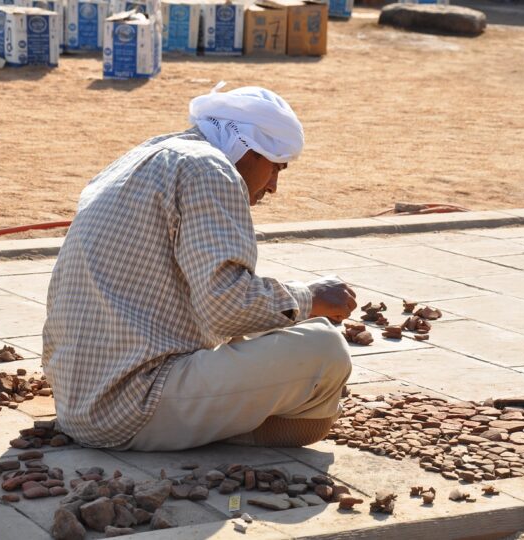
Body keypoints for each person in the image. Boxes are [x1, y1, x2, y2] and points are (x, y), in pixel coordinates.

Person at [42, 85, 357, 452]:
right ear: (248, 148)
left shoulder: (153, 152)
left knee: (283, 322)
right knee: (326, 349)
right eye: (275, 167)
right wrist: (311, 297)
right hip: (129, 406)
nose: (273, 186)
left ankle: (220, 422)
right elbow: (227, 308)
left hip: (77, 397)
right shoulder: (210, 169)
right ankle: (234, 431)